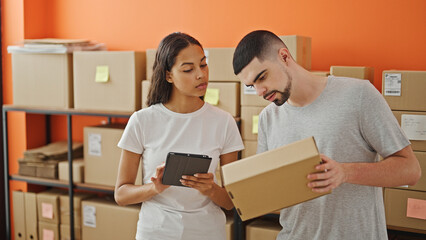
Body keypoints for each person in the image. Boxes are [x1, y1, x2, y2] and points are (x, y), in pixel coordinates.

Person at [232, 30, 421, 240]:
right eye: (252, 86)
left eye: (262, 77)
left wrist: (345, 172)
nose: (259, 91)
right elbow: (269, 191)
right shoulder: (268, 118)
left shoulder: (358, 95)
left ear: (284, 56)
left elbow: (411, 171)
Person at [115, 32, 244, 240]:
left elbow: (231, 201)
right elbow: (121, 194)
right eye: (188, 69)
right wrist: (154, 188)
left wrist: (211, 189)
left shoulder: (224, 122)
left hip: (208, 232)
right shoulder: (142, 121)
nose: (201, 75)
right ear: (168, 75)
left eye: (203, 65)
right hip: (156, 232)